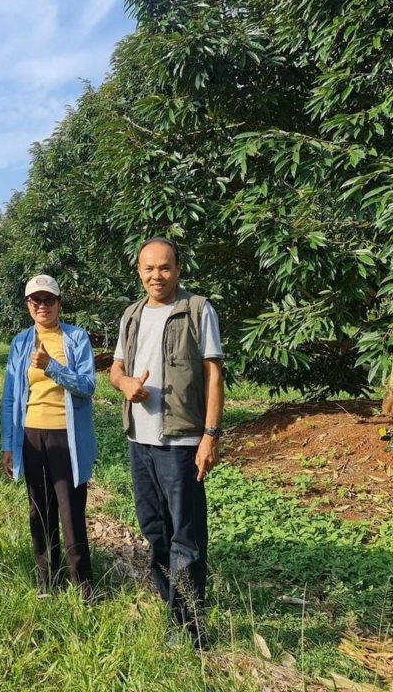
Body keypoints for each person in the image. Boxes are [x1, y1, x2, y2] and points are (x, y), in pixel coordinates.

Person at [109, 237, 224, 649]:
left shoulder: (197, 310)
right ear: (139, 272)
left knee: (186, 536)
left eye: (164, 268)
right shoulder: (132, 315)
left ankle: (190, 628)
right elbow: (117, 368)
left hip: (182, 440)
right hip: (139, 440)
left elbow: (213, 374)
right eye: (148, 269)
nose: (156, 275)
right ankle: (172, 605)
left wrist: (210, 435)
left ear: (177, 269)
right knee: (154, 530)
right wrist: (124, 384)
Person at [0, 274, 97, 599]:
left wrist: (52, 366)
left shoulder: (76, 338)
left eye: (49, 300)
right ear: (28, 305)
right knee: (39, 509)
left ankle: (83, 583)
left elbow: (87, 386)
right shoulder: (20, 343)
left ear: (59, 303)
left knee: (70, 510)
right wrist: (8, 445)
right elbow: (11, 396)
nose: (42, 306)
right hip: (32, 436)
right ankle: (46, 580)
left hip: (67, 437)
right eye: (35, 300)